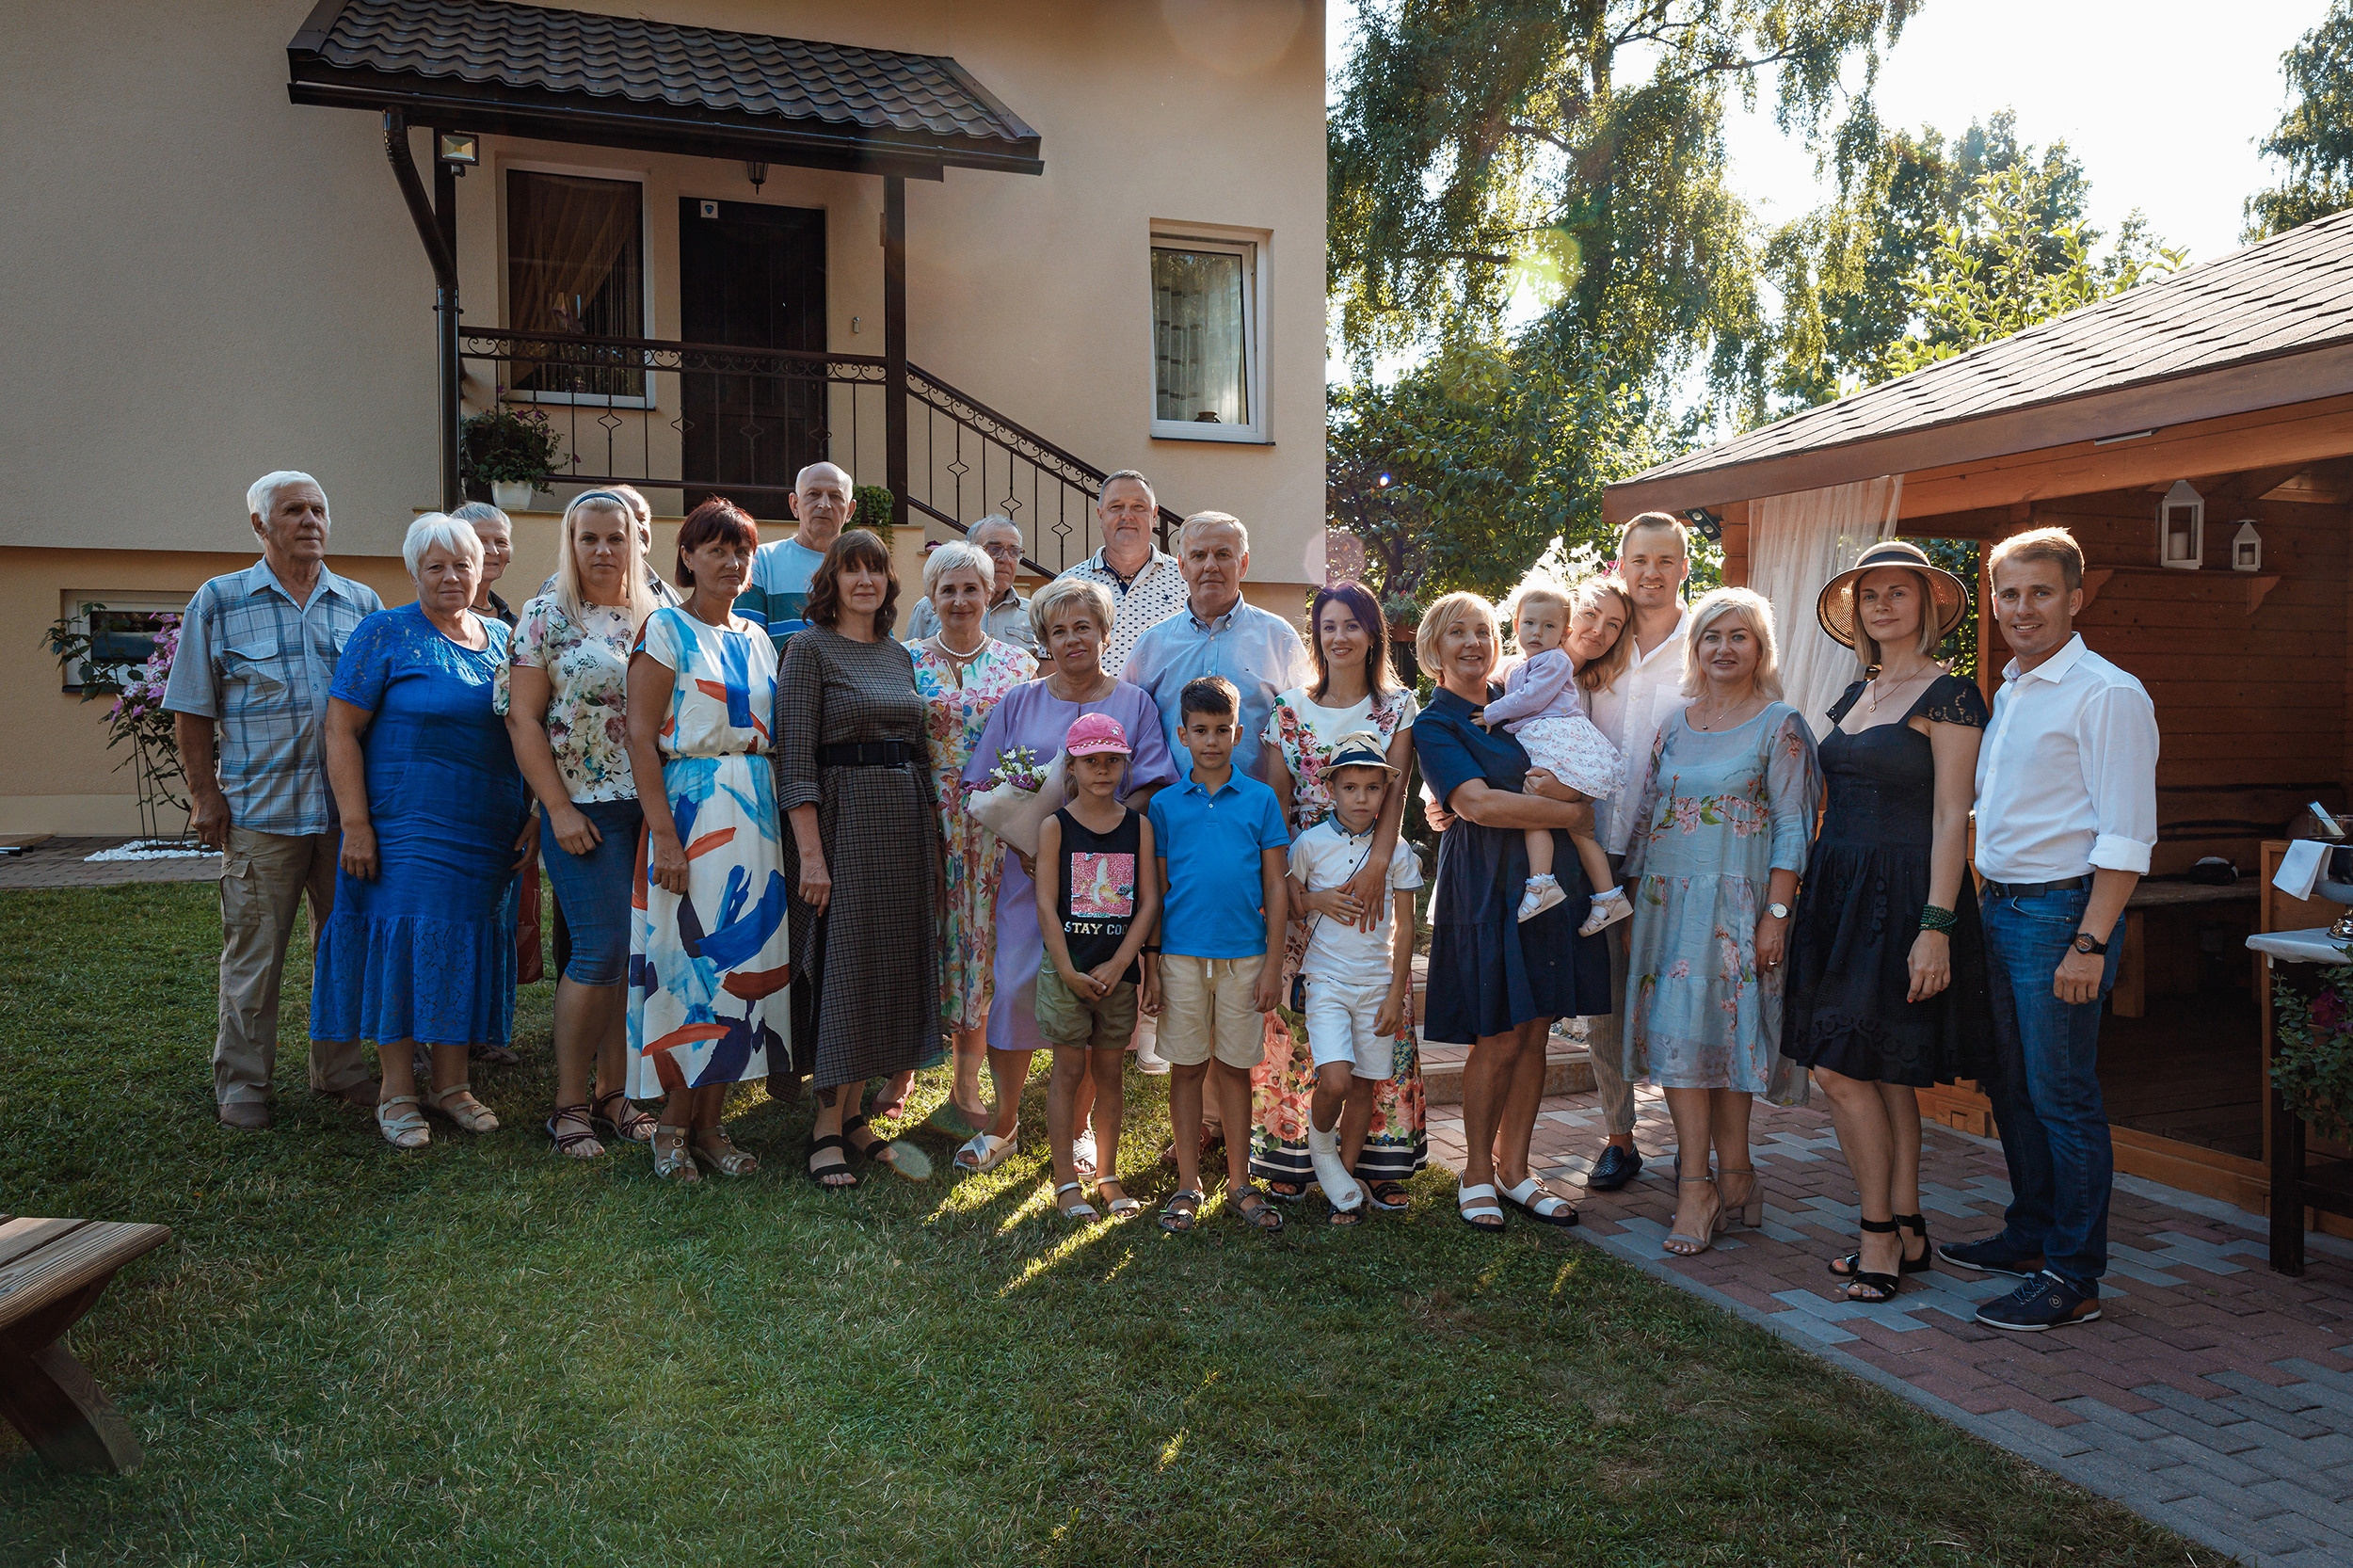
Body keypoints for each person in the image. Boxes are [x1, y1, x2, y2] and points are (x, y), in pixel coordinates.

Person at [1938, 527, 2156, 1334]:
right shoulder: (2017, 687)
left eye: (2039, 592)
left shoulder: (2107, 693)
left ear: (2076, 595)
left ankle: (2074, 1274)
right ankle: (2029, 1234)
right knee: (2013, 1085)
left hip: (2063, 915)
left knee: (2063, 1097)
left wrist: (2091, 942)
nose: (2021, 609)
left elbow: (2128, 834)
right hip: (2002, 908)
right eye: (2008, 594)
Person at [1782, 541, 1992, 1303]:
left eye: (1899, 593)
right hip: (1838, 890)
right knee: (1882, 1073)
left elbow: (1950, 817)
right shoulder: (1850, 698)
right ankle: (1907, 1226)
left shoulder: (1953, 697)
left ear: (1927, 606)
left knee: (1840, 1069)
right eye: (1872, 595)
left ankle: (1874, 1234)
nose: (1884, 605)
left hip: (1905, 893)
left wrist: (1936, 923)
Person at [165, 471, 386, 1129]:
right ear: (261, 525)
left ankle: (340, 1069)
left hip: (345, 819)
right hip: (263, 812)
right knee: (255, 955)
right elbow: (192, 709)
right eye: (293, 510)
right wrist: (205, 794)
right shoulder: (221, 600)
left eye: (319, 508)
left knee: (342, 947)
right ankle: (243, 1085)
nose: (310, 521)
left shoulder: (361, 602)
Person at [310, 515, 535, 1150]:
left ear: (482, 569)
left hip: (488, 829)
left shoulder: (502, 638)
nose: (450, 577)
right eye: (435, 566)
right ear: (414, 572)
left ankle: (453, 1085)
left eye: (462, 564)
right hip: (404, 826)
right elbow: (341, 731)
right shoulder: (383, 632)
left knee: (463, 947)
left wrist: (534, 816)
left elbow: (526, 731)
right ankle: (397, 1093)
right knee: (405, 951)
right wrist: (356, 823)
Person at [1621, 587, 1821, 1255]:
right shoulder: (1675, 724)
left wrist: (1777, 914)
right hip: (1666, 905)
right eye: (1712, 636)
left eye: (1739, 636)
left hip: (1740, 907)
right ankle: (1699, 1184)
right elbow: (1648, 813)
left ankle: (1731, 1178)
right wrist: (1630, 904)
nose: (1724, 648)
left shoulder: (1781, 723)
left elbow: (1796, 825)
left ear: (1759, 647)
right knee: (1684, 1043)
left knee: (1726, 1045)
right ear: (1695, 647)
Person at [954, 578, 1176, 1173]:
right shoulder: (1018, 702)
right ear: (1044, 639)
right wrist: (1027, 839)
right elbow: (981, 785)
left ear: (1104, 632)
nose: (1072, 638)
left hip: (1105, 878)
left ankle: (1078, 1130)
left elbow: (1153, 781)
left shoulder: (1134, 703)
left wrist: (1100, 839)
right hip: (1028, 875)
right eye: (1059, 629)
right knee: (1016, 985)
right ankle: (1004, 1123)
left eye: (1084, 626)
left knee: (1090, 993)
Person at [1414, 592, 1609, 1233]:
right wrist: (1574, 817)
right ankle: (1475, 1172)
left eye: (1482, 631)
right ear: (1434, 650)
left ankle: (1516, 1171)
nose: (1473, 643)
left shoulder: (1525, 700)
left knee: (1536, 1030)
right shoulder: (1436, 724)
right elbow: (1479, 805)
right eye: (1457, 634)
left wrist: (1570, 806)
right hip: (1486, 885)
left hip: (1550, 885)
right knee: (1496, 1033)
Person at [624, 498, 790, 1182]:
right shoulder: (664, 629)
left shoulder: (757, 637)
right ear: (687, 557)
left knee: (737, 970)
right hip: (693, 817)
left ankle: (714, 1127)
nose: (730, 561)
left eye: (741, 551)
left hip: (756, 814)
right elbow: (637, 735)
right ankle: (670, 1126)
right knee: (689, 965)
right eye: (715, 549)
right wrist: (664, 835)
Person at [776, 528, 944, 1188]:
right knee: (842, 967)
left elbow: (920, 753)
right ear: (832, 581)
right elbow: (794, 759)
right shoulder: (808, 650)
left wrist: (930, 845)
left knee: (884, 966)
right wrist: (811, 857)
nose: (865, 581)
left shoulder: (900, 656)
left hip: (900, 827)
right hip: (841, 828)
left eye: (875, 569)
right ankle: (823, 1125)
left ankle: (853, 1117)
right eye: (852, 570)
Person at [500, 489, 660, 1159]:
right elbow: (521, 719)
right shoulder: (544, 616)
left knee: (629, 956)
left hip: (655, 810)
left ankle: (613, 1094)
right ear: (570, 542)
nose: (602, 550)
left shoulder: (662, 614)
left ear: (636, 542)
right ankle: (568, 1106)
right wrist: (556, 808)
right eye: (588, 538)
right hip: (584, 811)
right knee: (597, 950)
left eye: (614, 538)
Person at [1253, 581, 1424, 1208]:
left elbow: (1396, 794)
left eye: (1352, 624)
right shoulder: (1290, 709)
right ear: (1316, 635)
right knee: (1297, 1024)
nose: (1340, 636)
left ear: (1372, 633)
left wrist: (1379, 864)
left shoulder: (1397, 706)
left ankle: (1374, 1159)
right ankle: (1288, 1155)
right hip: (1304, 878)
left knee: (1374, 1020)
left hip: (1371, 878)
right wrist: (1291, 891)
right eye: (1328, 625)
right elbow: (1274, 803)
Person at [1148, 676, 1291, 1234]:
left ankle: (1239, 1183)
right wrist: (1152, 966)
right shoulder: (1164, 805)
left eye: (1223, 730)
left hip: (1245, 958)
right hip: (1181, 957)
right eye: (1201, 731)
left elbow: (1277, 887)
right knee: (1186, 1070)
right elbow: (1157, 891)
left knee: (1235, 1070)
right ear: (1182, 734)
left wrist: (1274, 964)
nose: (1212, 741)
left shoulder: (1258, 799)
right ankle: (1188, 1184)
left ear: (1240, 734)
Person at [909, 539, 1038, 1133]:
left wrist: (1023, 821)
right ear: (931, 597)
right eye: (948, 589)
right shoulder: (903, 660)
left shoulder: (1020, 666)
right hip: (921, 819)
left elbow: (1029, 750)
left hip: (992, 830)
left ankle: (965, 1079)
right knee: (920, 937)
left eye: (971, 588)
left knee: (980, 946)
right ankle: (901, 1066)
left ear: (990, 595)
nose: (959, 600)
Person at [1578, 515, 1689, 1192]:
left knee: (1680, 999)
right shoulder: (1596, 641)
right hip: (1596, 849)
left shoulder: (1706, 642)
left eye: (1665, 559)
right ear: (1622, 566)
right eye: (1638, 558)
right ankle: (1620, 1137)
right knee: (1607, 1006)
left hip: (1677, 852)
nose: (1651, 571)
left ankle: (1692, 1143)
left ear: (1684, 566)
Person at [1286, 731, 1422, 1225]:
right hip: (1325, 980)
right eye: (1350, 787)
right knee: (1337, 1078)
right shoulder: (1309, 843)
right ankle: (1322, 1151)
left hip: (1377, 984)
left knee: (1365, 1084)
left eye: (1372, 788)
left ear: (1387, 792)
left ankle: (1342, 1179)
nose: (1361, 798)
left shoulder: (1398, 851)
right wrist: (1316, 900)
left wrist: (1394, 995)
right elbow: (1286, 898)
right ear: (1331, 790)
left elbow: (1407, 927)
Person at [1035, 713, 1160, 1222]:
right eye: (1092, 761)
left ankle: (1107, 1175)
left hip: (1118, 976)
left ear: (1124, 764)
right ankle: (1066, 1181)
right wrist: (1067, 971)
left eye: (1112, 760)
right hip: (1069, 971)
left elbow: (1149, 902)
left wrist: (1122, 962)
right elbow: (1046, 905)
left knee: (1110, 1072)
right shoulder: (1055, 827)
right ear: (1073, 766)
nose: (1103, 770)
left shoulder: (1139, 826)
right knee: (1068, 1069)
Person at [1480, 572, 1630, 935]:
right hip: (1522, 831)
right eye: (1591, 614)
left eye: (1613, 624)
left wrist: (1568, 801)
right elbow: (1484, 691)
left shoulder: (1598, 684)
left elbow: (1585, 798)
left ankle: (1565, 886)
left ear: (1560, 628)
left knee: (1540, 802)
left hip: (1566, 814)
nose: (1598, 630)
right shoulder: (1520, 666)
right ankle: (1586, 891)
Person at [1122, 511, 1314, 787]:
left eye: (1223, 555)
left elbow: (1305, 729)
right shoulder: (1152, 645)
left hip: (1256, 816)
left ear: (1243, 564)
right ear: (1182, 566)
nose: (1210, 565)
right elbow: (1127, 727)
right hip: (1172, 816)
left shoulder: (1279, 638)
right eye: (1199, 556)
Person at [1059, 470, 1186, 678]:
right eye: (1116, 507)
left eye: (1139, 507)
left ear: (1154, 516)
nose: (1127, 515)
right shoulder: (1067, 585)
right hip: (1090, 708)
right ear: (1100, 516)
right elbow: (1051, 665)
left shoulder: (1185, 581)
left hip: (1162, 709)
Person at [740, 460, 853, 656]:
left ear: (850, 510)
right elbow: (746, 645)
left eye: (835, 496)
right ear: (794, 504)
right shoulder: (762, 562)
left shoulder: (863, 569)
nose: (824, 505)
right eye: (813, 494)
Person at [905, 516, 1037, 655]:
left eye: (1014, 551)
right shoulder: (928, 608)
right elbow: (909, 663)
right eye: (994, 549)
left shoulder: (1032, 614)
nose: (1005, 559)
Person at [453, 502, 519, 625]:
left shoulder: (511, 623)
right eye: (480, 541)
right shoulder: (439, 616)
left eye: (501, 542)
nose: (493, 551)